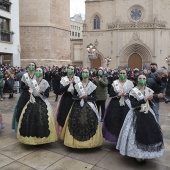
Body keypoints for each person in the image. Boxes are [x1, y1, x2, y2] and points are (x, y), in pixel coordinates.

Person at [117, 74, 164, 163]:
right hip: (136, 114)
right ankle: (138, 155)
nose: (142, 80)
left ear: (146, 80)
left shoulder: (148, 90)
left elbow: (151, 102)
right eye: (140, 78)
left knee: (148, 134)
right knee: (137, 134)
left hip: (148, 114)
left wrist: (157, 97)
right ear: (136, 80)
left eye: (144, 78)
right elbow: (133, 105)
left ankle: (145, 153)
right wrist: (144, 99)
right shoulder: (133, 91)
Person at [60, 68, 103, 148]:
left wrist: (86, 97)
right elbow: (74, 96)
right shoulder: (77, 85)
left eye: (86, 72)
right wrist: (79, 97)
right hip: (77, 106)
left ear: (89, 74)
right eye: (83, 72)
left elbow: (94, 98)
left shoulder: (92, 85)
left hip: (89, 107)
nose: (85, 73)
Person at [17, 67, 58, 145]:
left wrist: (41, 91)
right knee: (29, 118)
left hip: (41, 101)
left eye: (40, 71)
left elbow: (47, 95)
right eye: (37, 71)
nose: (38, 72)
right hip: (32, 101)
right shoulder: (32, 81)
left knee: (43, 118)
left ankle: (42, 140)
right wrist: (30, 91)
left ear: (42, 73)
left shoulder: (45, 82)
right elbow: (27, 88)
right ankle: (31, 139)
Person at [102, 69, 134, 144]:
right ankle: (116, 138)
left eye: (124, 73)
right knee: (114, 121)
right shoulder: (114, 83)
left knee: (125, 121)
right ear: (119, 74)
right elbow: (111, 93)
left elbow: (133, 93)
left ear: (126, 74)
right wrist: (117, 95)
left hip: (126, 104)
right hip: (115, 104)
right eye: (121, 73)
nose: (122, 74)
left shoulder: (130, 83)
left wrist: (127, 94)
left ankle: (124, 139)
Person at [55, 65, 80, 136]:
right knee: (64, 115)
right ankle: (64, 133)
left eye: (72, 69)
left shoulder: (77, 78)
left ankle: (72, 133)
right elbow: (61, 90)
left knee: (73, 115)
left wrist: (74, 83)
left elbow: (78, 90)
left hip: (74, 98)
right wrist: (69, 83)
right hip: (66, 98)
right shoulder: (63, 79)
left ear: (74, 70)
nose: (70, 70)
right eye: (69, 68)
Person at [12, 62, 36, 132]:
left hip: (34, 95)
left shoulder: (36, 75)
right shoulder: (25, 75)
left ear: (35, 67)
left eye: (33, 65)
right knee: (22, 110)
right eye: (30, 65)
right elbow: (22, 86)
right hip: (25, 95)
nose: (31, 66)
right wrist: (28, 86)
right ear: (28, 67)